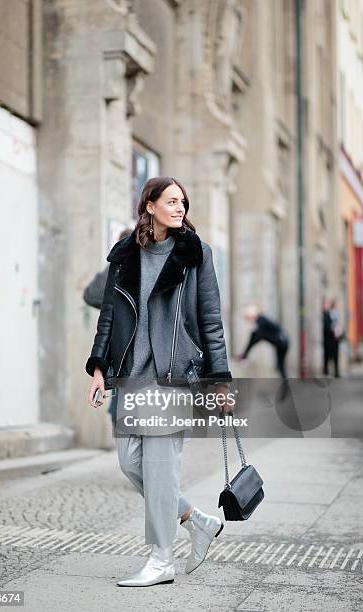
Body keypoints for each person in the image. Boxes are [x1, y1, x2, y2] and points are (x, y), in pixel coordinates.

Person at [85, 176, 233, 587]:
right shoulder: (126, 255)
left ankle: (161, 560)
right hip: (133, 375)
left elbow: (210, 318)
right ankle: (195, 520)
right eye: (170, 200)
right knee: (130, 462)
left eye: (182, 201)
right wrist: (99, 367)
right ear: (149, 205)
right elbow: (109, 316)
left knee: (162, 467)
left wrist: (219, 379)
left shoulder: (195, 253)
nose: (179, 206)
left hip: (173, 376)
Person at [83, 227, 133, 427]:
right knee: (120, 388)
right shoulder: (117, 267)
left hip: (122, 340)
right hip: (117, 337)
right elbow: (91, 294)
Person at [236, 303, 290, 380]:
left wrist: (245, 353)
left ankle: (285, 384)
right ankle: (284, 383)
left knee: (280, 365)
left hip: (282, 342)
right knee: (279, 366)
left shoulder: (261, 320)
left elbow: (255, 338)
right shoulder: (260, 321)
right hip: (280, 342)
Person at [323, 298, 345, 378]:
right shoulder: (327, 314)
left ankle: (335, 371)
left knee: (335, 355)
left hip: (335, 339)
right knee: (328, 355)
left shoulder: (335, 314)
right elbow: (327, 326)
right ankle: (326, 371)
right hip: (329, 338)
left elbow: (338, 325)